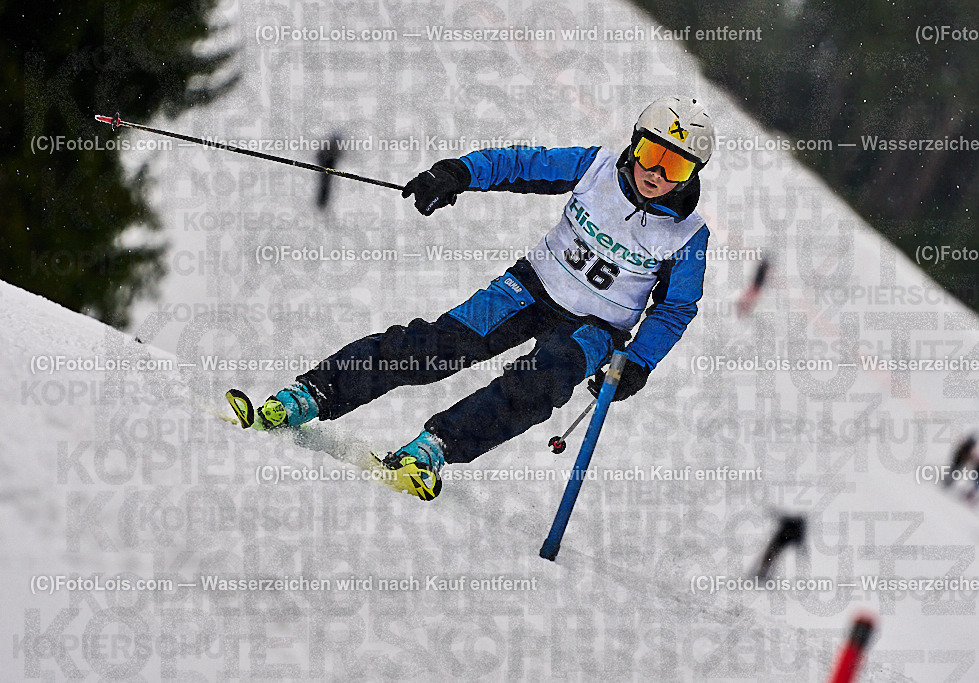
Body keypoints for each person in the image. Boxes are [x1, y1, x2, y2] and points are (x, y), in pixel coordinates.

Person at [233, 97, 715, 500]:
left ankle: (431, 450)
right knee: (435, 348)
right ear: (634, 142)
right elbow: (520, 164)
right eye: (651, 151)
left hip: (596, 330)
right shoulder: (595, 169)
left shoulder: (688, 235)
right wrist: (458, 173)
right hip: (530, 288)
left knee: (539, 384)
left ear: (691, 174)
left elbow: (674, 309)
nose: (655, 171)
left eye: (674, 164)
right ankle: (311, 393)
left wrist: (640, 360)